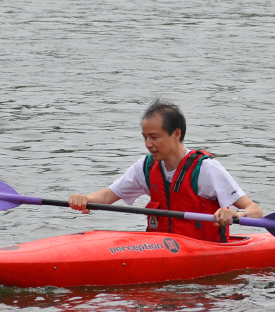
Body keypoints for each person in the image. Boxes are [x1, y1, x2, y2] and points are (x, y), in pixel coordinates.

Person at [68, 100, 263, 243]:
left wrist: (236, 214)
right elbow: (105, 197)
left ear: (176, 134)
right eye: (144, 137)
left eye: (154, 137)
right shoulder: (145, 168)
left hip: (205, 252)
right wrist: (84, 199)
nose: (148, 144)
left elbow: (255, 211)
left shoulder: (205, 169)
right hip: (161, 249)